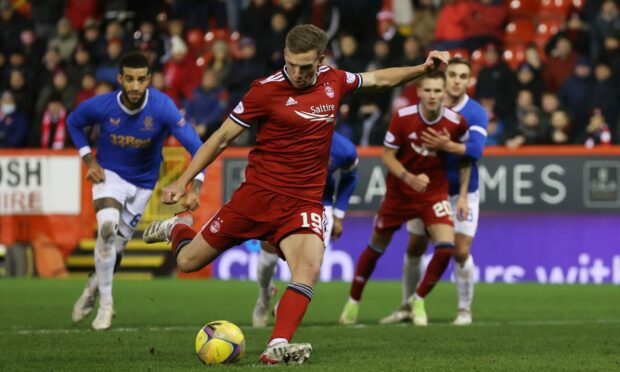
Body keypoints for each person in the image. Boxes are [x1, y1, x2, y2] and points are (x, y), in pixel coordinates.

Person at [142, 24, 449, 365]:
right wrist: (184, 179)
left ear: (321, 59)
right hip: (256, 197)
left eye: (308, 67)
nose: (300, 74)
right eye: (294, 64)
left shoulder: (334, 80)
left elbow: (378, 79)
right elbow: (220, 138)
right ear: (285, 54)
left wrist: (422, 69)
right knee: (187, 261)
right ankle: (177, 228)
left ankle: (277, 345)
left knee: (309, 268)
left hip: (303, 203)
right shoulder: (264, 91)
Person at [67, 51, 204, 331]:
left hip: (143, 185)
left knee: (115, 250)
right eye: (129, 79)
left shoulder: (163, 107)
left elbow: (198, 148)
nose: (134, 86)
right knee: (107, 228)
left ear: (149, 80)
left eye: (140, 80)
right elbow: (74, 122)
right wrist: (88, 159)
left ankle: (92, 288)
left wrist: (196, 188)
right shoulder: (103, 105)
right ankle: (106, 305)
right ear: (120, 79)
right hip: (110, 177)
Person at [339, 70, 471, 327]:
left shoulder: (457, 122)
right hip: (399, 193)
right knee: (376, 247)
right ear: (419, 92)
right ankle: (353, 302)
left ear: (444, 93)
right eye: (428, 90)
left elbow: (467, 158)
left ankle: (417, 300)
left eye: (437, 91)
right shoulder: (402, 118)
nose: (432, 96)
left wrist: (463, 191)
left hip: (433, 193)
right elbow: (387, 156)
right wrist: (409, 177)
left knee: (446, 248)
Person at [380, 57, 489, 326]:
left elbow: (474, 153)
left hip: (460, 192)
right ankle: (407, 305)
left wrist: (448, 147)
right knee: (415, 246)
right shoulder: (426, 107)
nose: (457, 81)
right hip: (427, 191)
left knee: (460, 251)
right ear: (443, 78)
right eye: (453, 75)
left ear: (468, 81)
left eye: (463, 77)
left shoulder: (474, 113)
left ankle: (464, 309)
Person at [252, 131, 359, 328]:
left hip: (320, 203)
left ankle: (285, 308)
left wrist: (339, 215)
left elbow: (350, 175)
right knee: (267, 258)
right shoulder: (287, 135)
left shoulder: (344, 149)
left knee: (311, 266)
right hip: (282, 197)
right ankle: (264, 295)